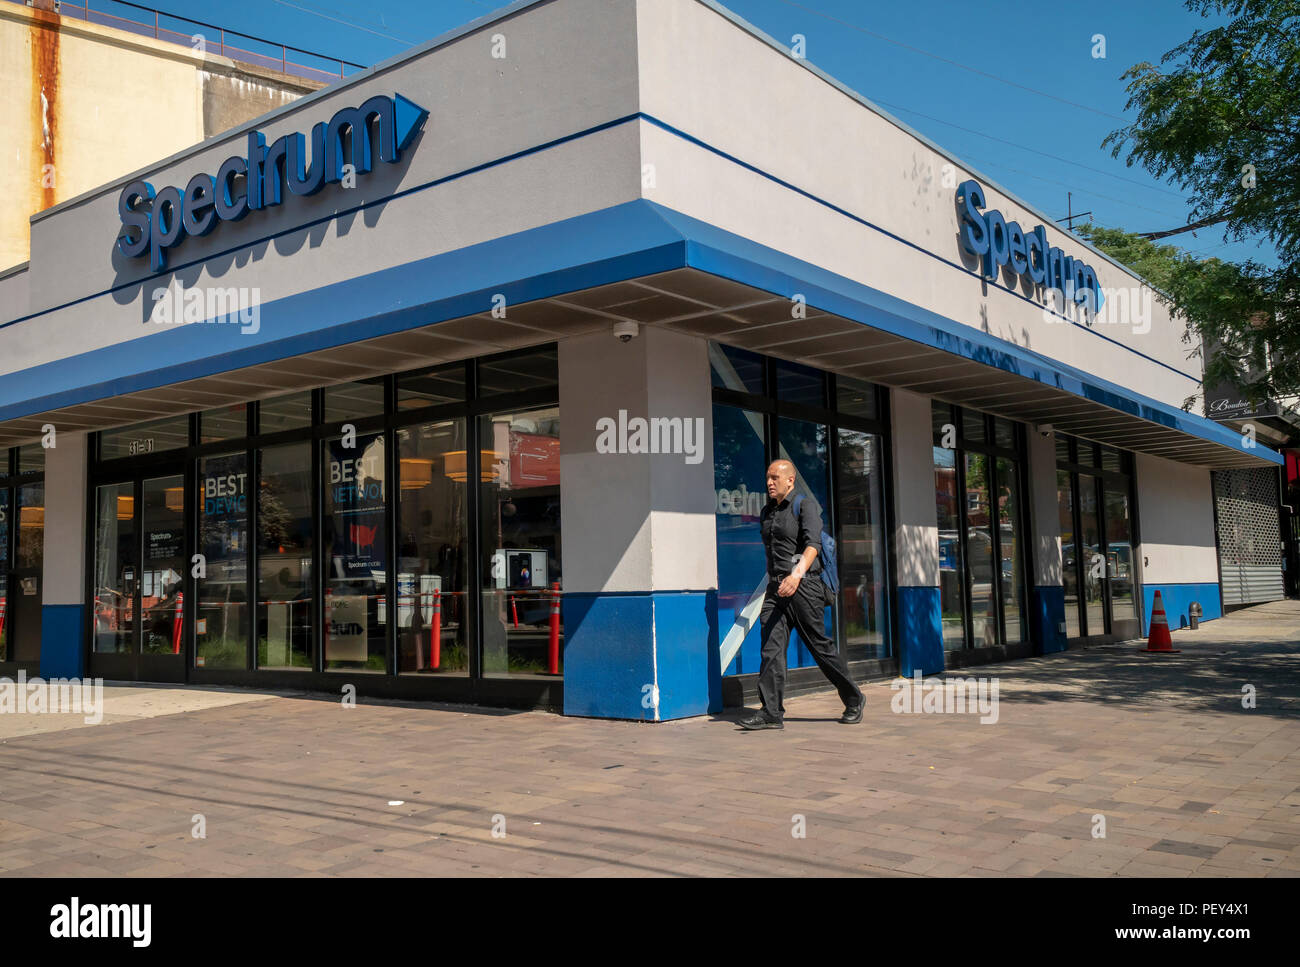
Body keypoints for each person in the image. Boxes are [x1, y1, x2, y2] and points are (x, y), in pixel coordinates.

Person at [738, 460, 864, 730]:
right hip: (777, 589)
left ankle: (854, 698)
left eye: (775, 478)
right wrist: (778, 580)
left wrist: (795, 576)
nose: (769, 482)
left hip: (804, 586)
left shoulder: (803, 506)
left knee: (819, 647)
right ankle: (771, 712)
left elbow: (813, 545)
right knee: (771, 649)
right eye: (767, 478)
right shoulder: (767, 511)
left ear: (790, 480)